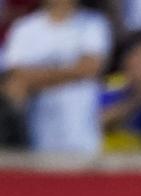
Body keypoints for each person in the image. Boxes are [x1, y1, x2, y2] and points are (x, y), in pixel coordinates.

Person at [1, 0, 111, 155]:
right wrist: (73, 71)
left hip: (81, 134)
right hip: (37, 133)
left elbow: (90, 67)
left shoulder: (92, 23)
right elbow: (15, 76)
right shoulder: (24, 28)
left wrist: (34, 77)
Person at [99, 29, 141, 151]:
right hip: (110, 163)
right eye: (140, 55)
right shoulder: (108, 87)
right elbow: (95, 123)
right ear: (125, 60)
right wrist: (138, 100)